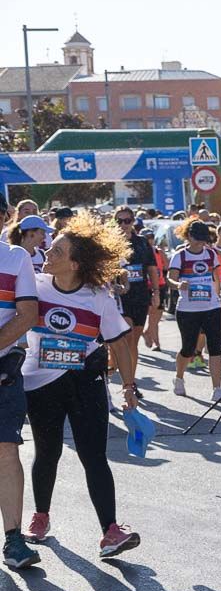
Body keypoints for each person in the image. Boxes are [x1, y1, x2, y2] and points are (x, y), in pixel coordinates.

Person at [21, 213, 141, 558]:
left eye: (56, 251)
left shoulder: (97, 296)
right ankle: (41, 515)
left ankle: (111, 532)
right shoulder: (35, 286)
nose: (47, 253)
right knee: (47, 453)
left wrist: (128, 386)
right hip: (41, 384)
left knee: (94, 456)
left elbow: (119, 342)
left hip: (85, 383)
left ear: (74, 263)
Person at [0, 233, 39, 569]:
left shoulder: (15, 257)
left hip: (3, 368)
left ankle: (13, 538)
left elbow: (27, 314)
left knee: (5, 448)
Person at [167, 218, 221, 401]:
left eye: (204, 239)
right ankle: (179, 378)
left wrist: (218, 295)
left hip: (211, 307)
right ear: (189, 236)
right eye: (197, 238)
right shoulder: (180, 256)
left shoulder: (210, 255)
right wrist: (178, 285)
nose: (201, 242)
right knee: (188, 348)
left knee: (215, 348)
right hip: (188, 310)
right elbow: (170, 279)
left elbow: (216, 277)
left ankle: (217, 389)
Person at [111, 206, 159, 390]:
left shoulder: (141, 243)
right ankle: (127, 383)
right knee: (128, 337)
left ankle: (130, 381)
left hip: (140, 296)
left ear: (133, 222)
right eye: (119, 221)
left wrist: (156, 293)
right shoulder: (110, 242)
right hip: (119, 297)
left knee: (134, 342)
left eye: (127, 221)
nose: (123, 225)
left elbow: (152, 269)